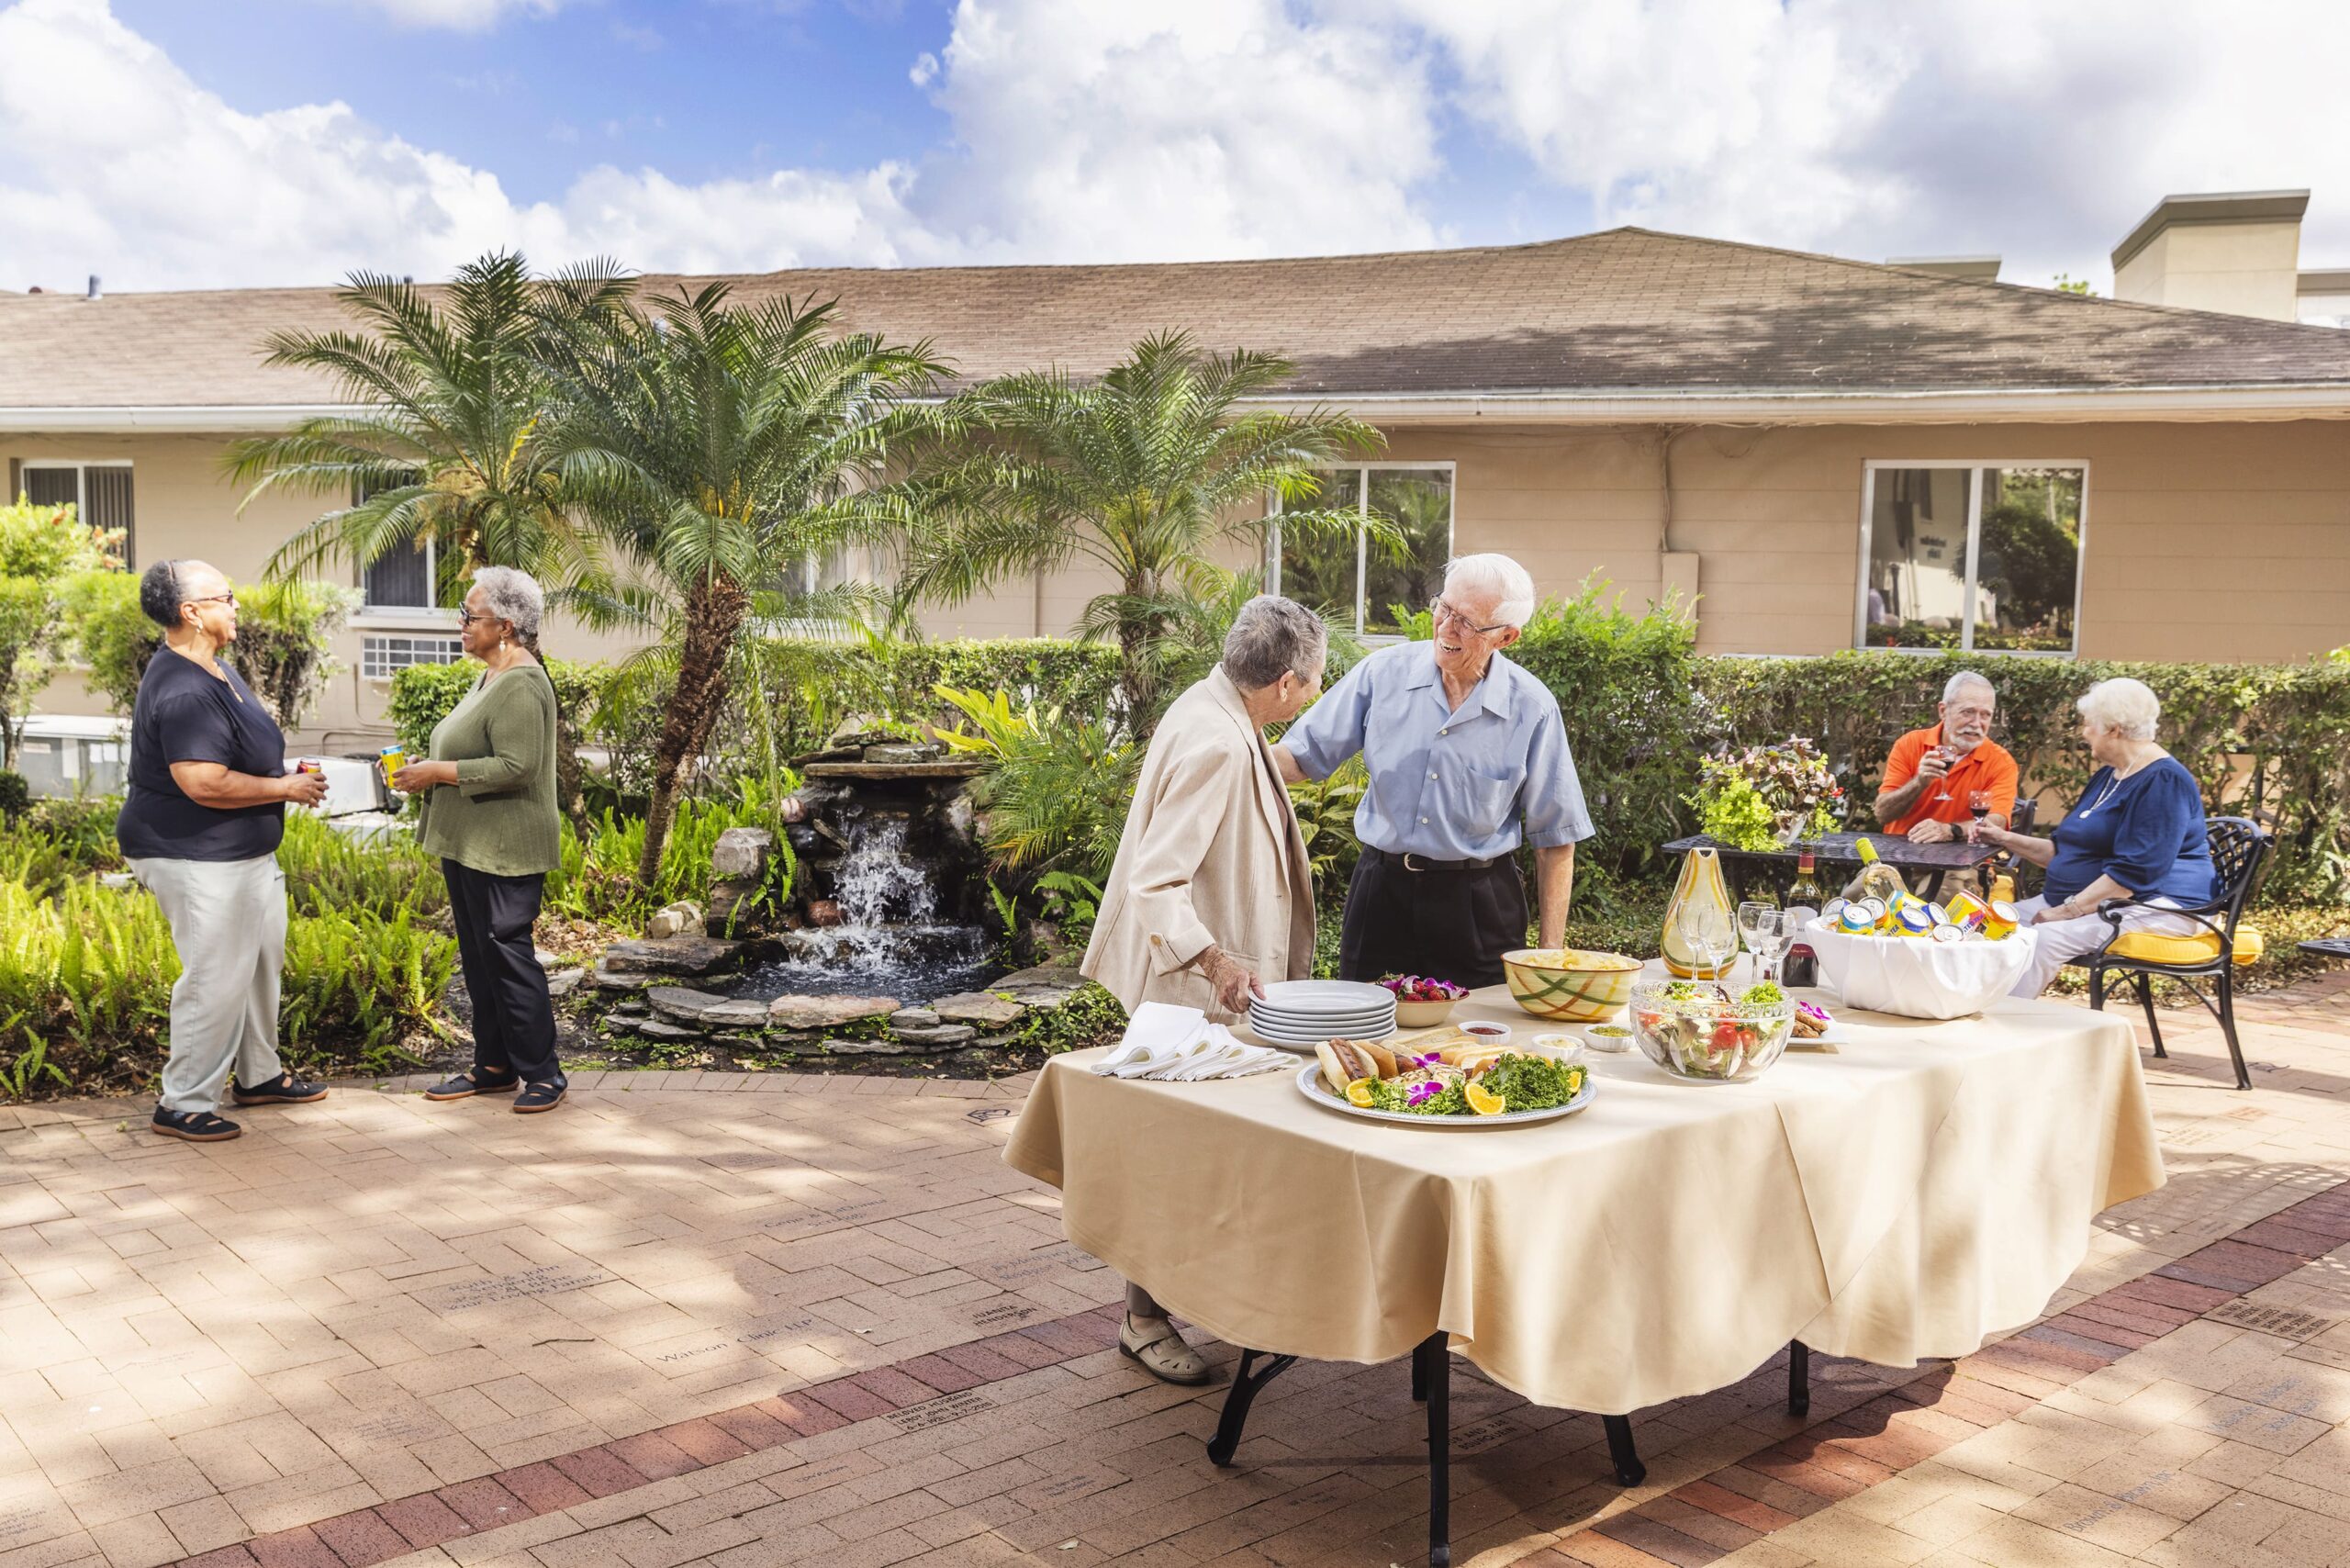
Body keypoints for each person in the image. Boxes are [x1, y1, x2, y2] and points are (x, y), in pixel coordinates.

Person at [1081, 594, 1324, 1384]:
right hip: (1197, 992)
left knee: (1205, 1162)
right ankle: (1143, 1320)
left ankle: (1218, 1300)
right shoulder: (1218, 740)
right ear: (1285, 683)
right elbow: (1156, 881)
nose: (1316, 691)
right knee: (1173, 1166)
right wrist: (1218, 963)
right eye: (1314, 680)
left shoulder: (1216, 702)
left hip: (1210, 988)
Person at [1271, 554, 1591, 988]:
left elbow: (1556, 839)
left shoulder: (1532, 708)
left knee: (1480, 1043)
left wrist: (1551, 954)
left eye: (1467, 622)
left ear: (1506, 637)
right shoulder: (1382, 674)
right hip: (1381, 894)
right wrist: (1227, 747)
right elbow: (1299, 758)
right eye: (1445, 607)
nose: (1445, 627)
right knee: (1365, 1032)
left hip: (1478, 904)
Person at [118, 560, 330, 1142]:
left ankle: (259, 1076)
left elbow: (234, 758)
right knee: (214, 976)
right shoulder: (185, 688)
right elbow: (203, 782)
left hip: (242, 856)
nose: (237, 605)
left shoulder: (213, 668)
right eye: (226, 596)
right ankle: (183, 1102)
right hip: (196, 856)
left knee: (259, 965)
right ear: (192, 612)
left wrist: (278, 777)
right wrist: (284, 787)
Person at [399, 568, 567, 1114]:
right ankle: (494, 1067)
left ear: (507, 626)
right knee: (479, 958)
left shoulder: (522, 682)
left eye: (471, 616)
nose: (462, 624)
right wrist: (430, 769)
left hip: (506, 847)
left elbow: (518, 766)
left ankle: (544, 1074)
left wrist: (439, 772)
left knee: (508, 957)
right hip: (473, 843)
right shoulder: (492, 676)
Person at [1967, 678, 2214, 998]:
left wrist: (2067, 911)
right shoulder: (2108, 775)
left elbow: (2134, 874)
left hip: (2158, 906)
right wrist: (2003, 838)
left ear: (2113, 729)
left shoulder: (2164, 781)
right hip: (2098, 901)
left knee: (2042, 940)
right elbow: (2064, 851)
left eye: (2088, 725)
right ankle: (1966, 1010)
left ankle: (2004, 1027)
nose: (2084, 733)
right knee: (1984, 927)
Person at [1875, 670, 2019, 844]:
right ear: (1943, 711)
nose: (1976, 723)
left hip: (1961, 859)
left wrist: (1952, 830)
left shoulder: (2000, 762)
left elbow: (1998, 821)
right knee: (1875, 872)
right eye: (1968, 712)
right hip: (1900, 853)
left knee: (1958, 873)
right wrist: (1919, 783)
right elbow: (1882, 814)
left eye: (1985, 715)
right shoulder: (1910, 744)